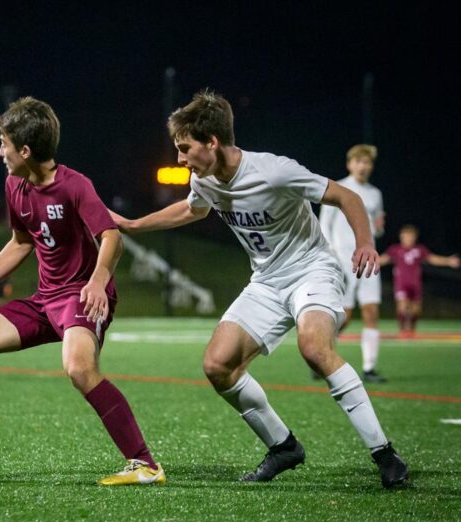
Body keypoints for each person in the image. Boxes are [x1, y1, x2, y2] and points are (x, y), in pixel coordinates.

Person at [110, 90, 408, 488]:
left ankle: (385, 454)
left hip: (312, 270)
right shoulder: (205, 178)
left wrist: (365, 242)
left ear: (212, 142)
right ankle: (283, 446)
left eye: (185, 148)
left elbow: (345, 195)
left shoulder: (274, 170)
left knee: (315, 348)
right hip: (267, 282)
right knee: (217, 365)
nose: (180, 159)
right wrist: (133, 225)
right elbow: (192, 209)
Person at [0, 97, 164, 486]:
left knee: (79, 369)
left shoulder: (75, 185)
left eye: (4, 143)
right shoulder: (15, 185)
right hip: (45, 301)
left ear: (25, 150)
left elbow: (111, 237)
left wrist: (97, 281)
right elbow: (20, 242)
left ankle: (145, 465)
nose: (0, 151)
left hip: (81, 296)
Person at [319, 145, 386, 382]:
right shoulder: (338, 187)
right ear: (350, 164)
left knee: (371, 311)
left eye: (367, 162)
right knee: (345, 315)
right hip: (343, 261)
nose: (363, 166)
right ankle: (320, 355)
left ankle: (369, 368)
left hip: (368, 260)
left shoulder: (375, 194)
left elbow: (375, 227)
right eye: (359, 162)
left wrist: (378, 229)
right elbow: (324, 225)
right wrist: (331, 256)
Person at [380, 224, 460, 338]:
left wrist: (448, 261)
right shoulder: (395, 250)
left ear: (415, 237)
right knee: (402, 307)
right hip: (401, 284)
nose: (408, 239)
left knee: (416, 310)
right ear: (401, 237)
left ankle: (412, 330)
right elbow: (382, 259)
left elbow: (433, 259)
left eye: (410, 236)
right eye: (406, 236)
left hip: (415, 284)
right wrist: (366, 261)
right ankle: (403, 331)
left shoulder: (420, 250)